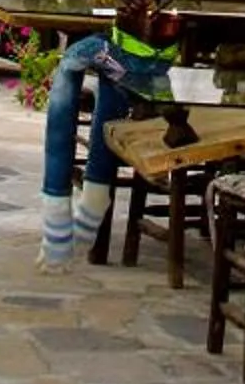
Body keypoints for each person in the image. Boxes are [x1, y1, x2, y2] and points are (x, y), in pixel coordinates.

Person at [34, 21, 175, 268]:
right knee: (110, 78)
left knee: (70, 62)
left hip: (130, 58)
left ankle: (57, 218)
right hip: (162, 68)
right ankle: (94, 198)